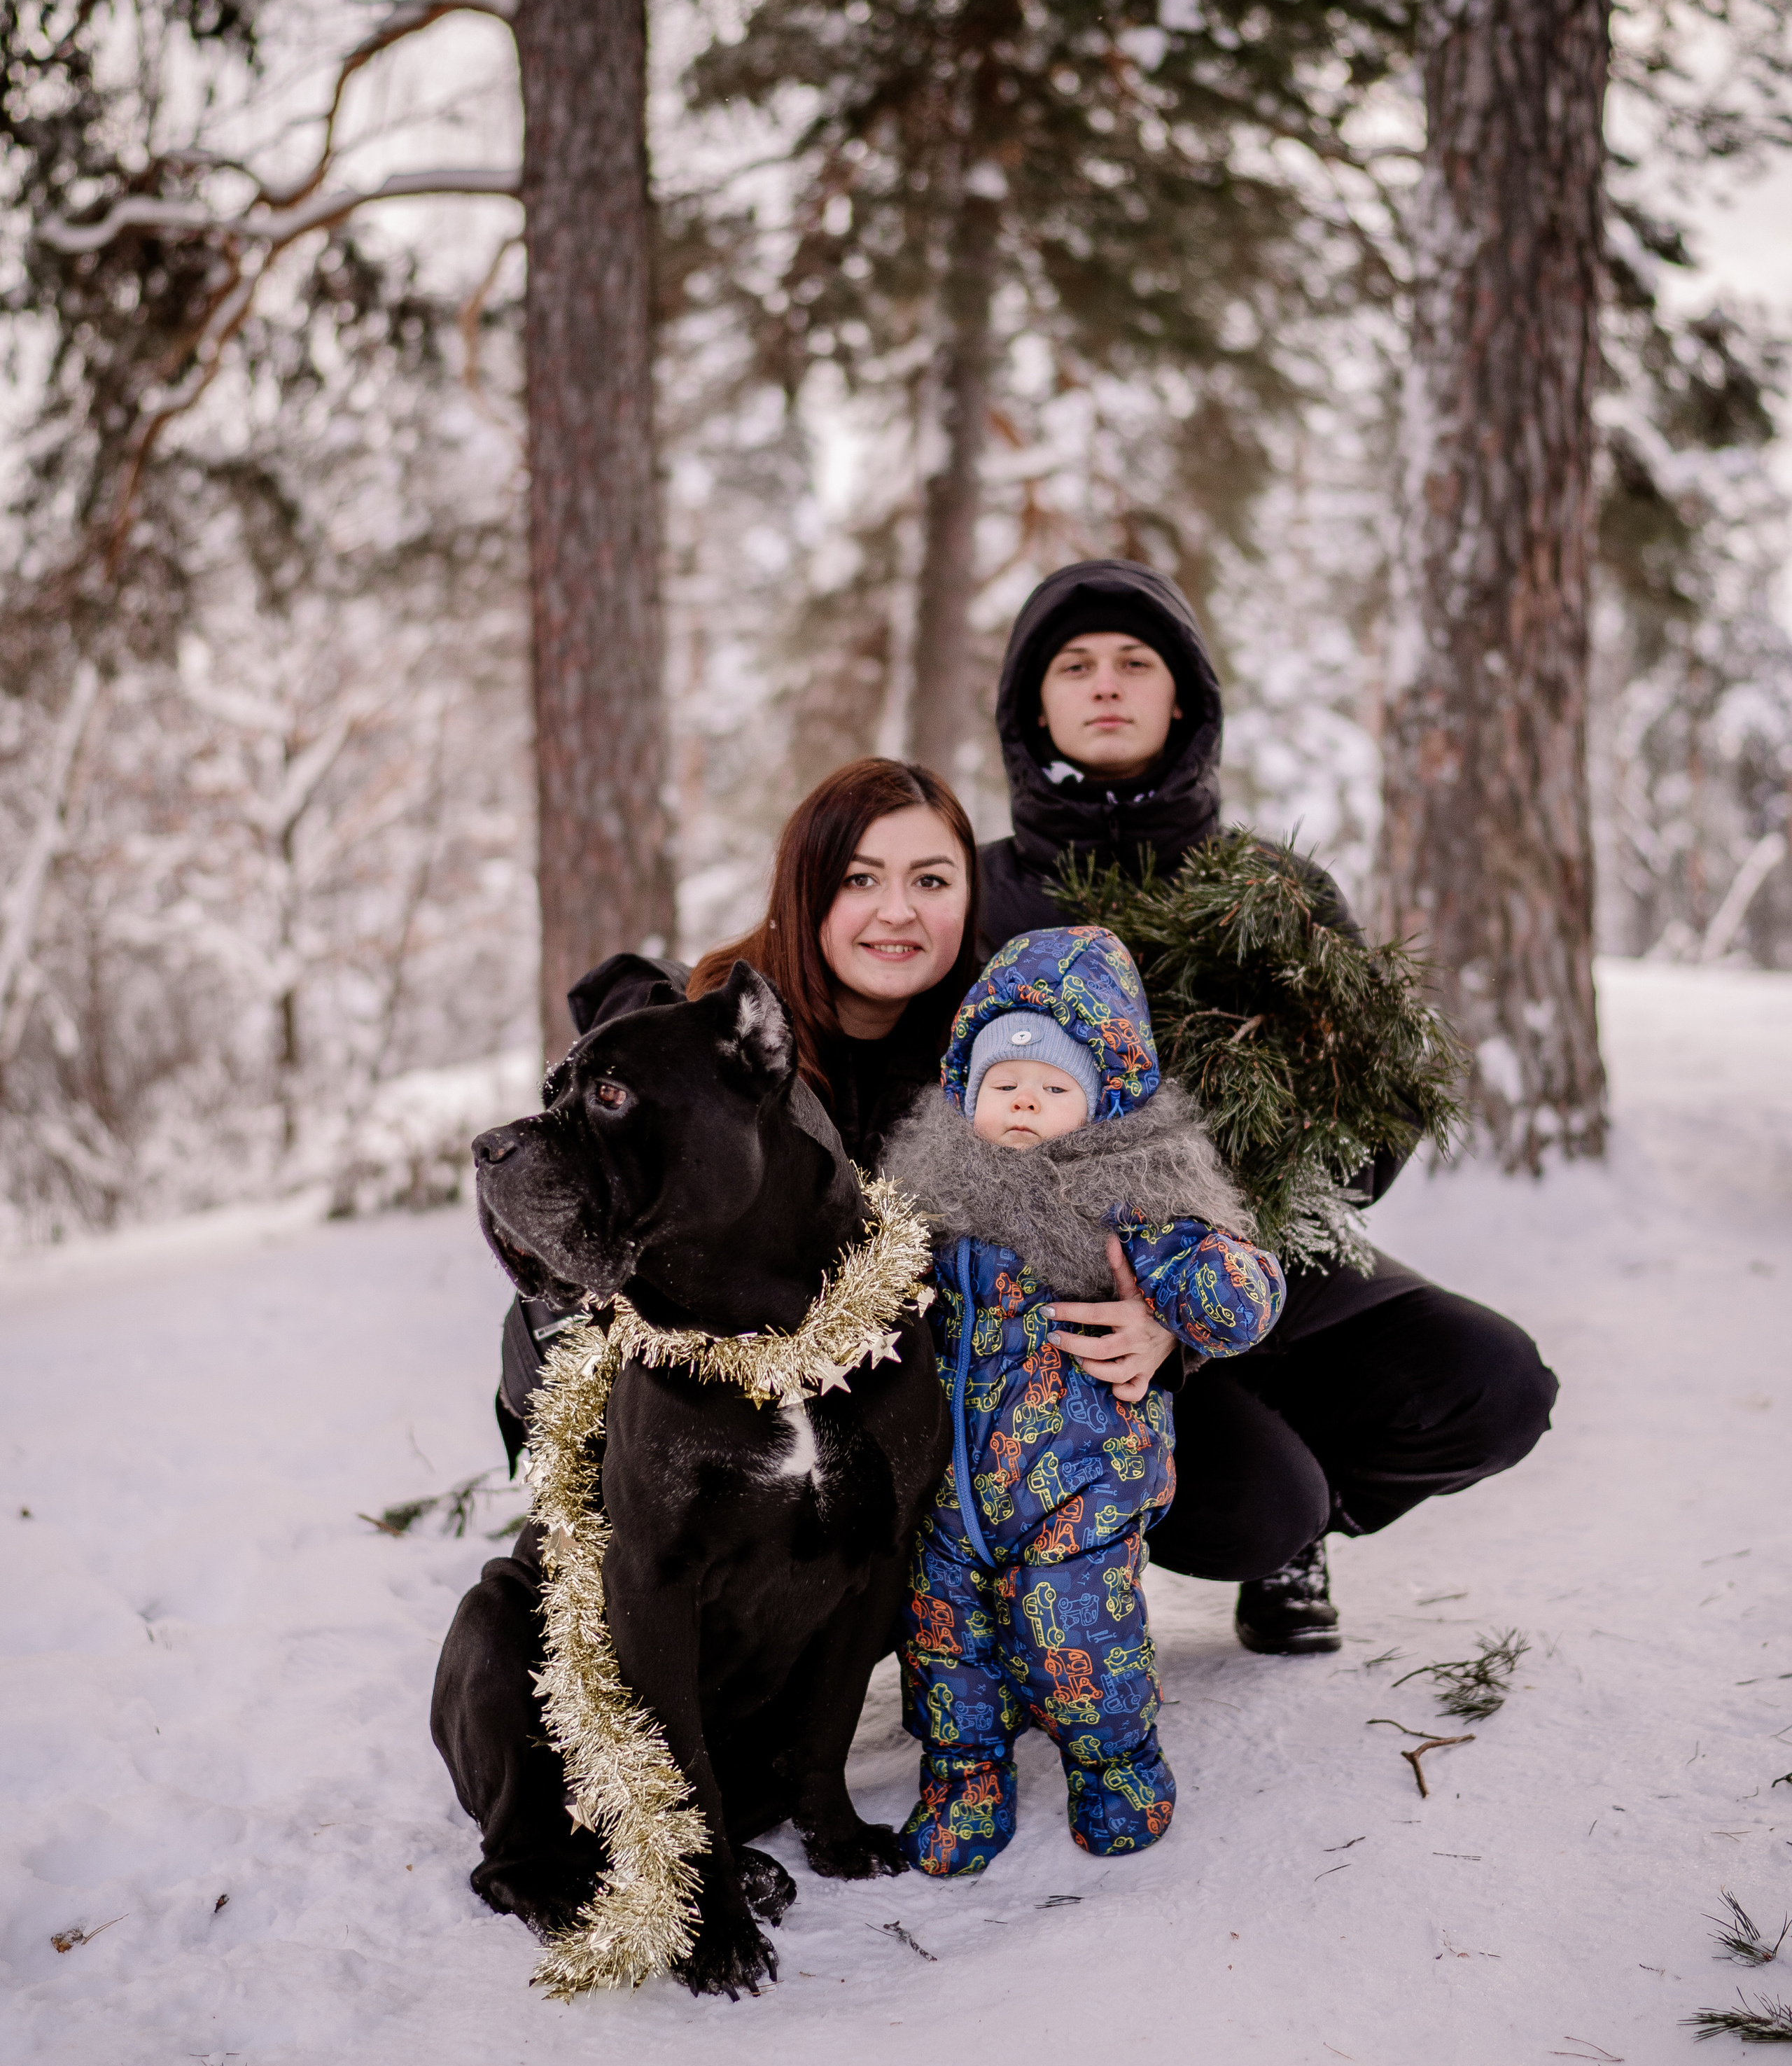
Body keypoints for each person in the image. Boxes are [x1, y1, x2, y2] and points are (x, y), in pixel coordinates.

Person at [434, 758, 984, 1929]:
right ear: (806, 898)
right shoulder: (710, 1027)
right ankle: (549, 1861)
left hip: (771, 1664)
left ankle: (794, 1795)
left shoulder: (1001, 1042)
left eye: (929, 878)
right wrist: (559, 1290)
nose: (896, 908)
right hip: (591, 1690)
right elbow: (553, 1430)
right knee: (504, 1614)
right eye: (858, 879)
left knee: (867, 1556)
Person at [974, 559, 1560, 1655]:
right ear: (1031, 705)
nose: (1107, 684)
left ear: (1184, 697)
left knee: (1496, 1383)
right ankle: (1082, 1544)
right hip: (1066, 1307)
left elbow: (1372, 1120)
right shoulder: (980, 890)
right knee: (1256, 1507)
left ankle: (1308, 1510)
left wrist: (1223, 1256)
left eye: (1136, 663)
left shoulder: (1273, 889)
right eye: (1075, 665)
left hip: (1277, 1268)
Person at [880, 926, 1286, 1876]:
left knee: (1086, 1645)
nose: (1025, 1097)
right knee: (945, 1649)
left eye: (1055, 1086)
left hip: (1082, 1489)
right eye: (1003, 1083)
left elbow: (1239, 1295)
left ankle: (1117, 1765)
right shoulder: (926, 1208)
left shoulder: (1129, 1204)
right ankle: (964, 1781)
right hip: (946, 1495)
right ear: (963, 1095)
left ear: (1102, 1103)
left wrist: (1207, 1287)